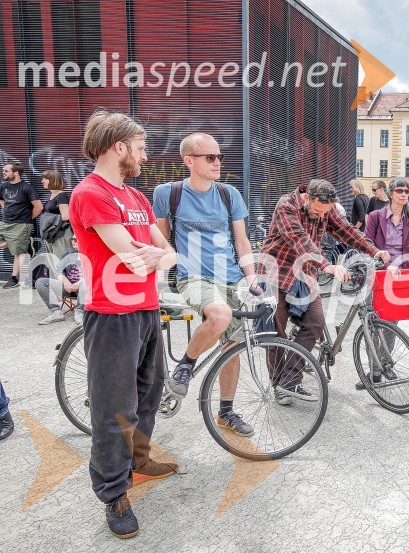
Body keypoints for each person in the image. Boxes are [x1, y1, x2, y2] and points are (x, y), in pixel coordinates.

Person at [69, 109, 178, 539]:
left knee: (148, 395)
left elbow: (168, 254)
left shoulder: (136, 198)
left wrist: (156, 255)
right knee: (114, 409)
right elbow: (133, 259)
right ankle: (113, 493)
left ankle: (139, 461)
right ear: (119, 147)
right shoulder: (91, 193)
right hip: (111, 315)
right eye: (140, 147)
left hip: (146, 309)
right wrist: (152, 255)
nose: (145, 156)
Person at [152, 132, 259, 436]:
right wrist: (159, 273)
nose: (217, 162)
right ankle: (185, 365)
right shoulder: (168, 193)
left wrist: (251, 277)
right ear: (189, 161)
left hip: (231, 277)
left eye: (219, 156)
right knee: (220, 315)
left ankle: (226, 411)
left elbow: (242, 241)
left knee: (233, 348)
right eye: (210, 157)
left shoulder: (228, 194)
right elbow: (161, 239)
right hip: (193, 276)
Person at [260, 179, 390, 405]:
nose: (322, 216)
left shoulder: (326, 209)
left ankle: (289, 380)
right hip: (277, 272)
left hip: (305, 274)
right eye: (318, 211)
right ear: (307, 198)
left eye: (326, 213)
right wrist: (326, 265)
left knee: (316, 322)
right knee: (277, 333)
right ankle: (277, 383)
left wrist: (373, 250)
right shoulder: (286, 205)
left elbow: (346, 230)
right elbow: (298, 239)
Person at [359, 177, 409, 389]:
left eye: (407, 191)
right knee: (372, 324)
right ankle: (374, 370)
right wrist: (386, 264)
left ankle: (385, 365)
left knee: (391, 323)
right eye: (399, 190)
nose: (404, 194)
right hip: (378, 275)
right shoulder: (376, 217)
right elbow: (366, 246)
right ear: (390, 193)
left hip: (399, 278)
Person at [0, 162, 43, 289]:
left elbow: (39, 207)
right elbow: (1, 199)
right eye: (3, 170)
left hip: (21, 224)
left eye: (6, 170)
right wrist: (6, 209)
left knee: (18, 252)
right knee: (15, 245)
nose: (3, 172)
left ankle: (13, 278)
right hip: (5, 222)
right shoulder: (3, 186)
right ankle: (23, 241)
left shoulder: (26, 188)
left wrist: (26, 219)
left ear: (16, 172)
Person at [35, 235, 86, 325]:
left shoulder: (93, 255)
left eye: (75, 239)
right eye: (72, 239)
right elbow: (58, 272)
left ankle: (79, 312)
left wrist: (78, 283)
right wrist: (66, 283)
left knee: (86, 283)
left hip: (85, 289)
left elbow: (96, 274)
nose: (72, 241)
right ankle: (56, 312)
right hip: (68, 288)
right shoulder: (68, 255)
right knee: (41, 282)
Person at [40, 170, 74, 259]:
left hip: (60, 234)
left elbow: (66, 216)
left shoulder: (61, 196)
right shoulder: (52, 195)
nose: (42, 181)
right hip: (52, 234)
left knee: (61, 263)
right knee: (54, 263)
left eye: (45, 179)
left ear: (53, 180)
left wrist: (49, 220)